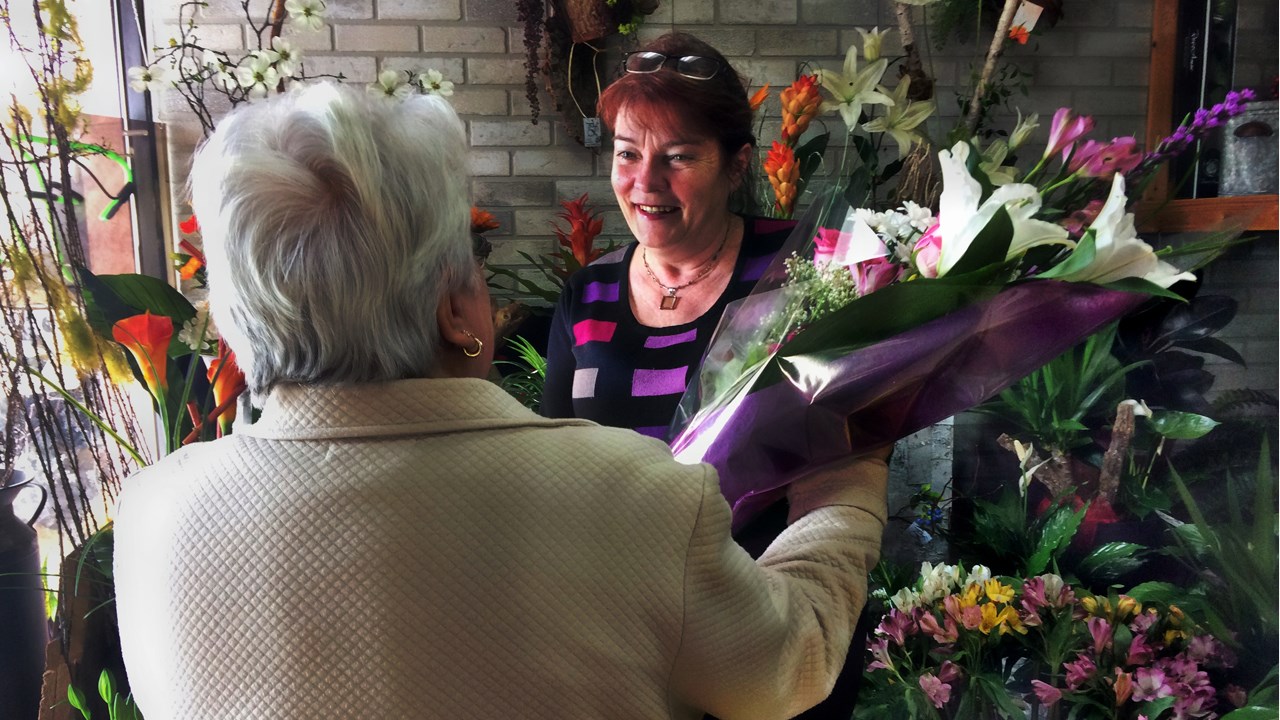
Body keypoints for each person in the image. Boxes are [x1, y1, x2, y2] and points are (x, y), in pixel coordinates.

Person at [112, 82, 888, 719]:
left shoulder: (152, 516)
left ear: (237, 326)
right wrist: (848, 465)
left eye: (679, 154)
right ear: (457, 308)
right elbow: (789, 664)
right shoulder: (638, 498)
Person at [540, 32, 884, 717]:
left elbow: (848, 452)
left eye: (679, 157)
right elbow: (553, 467)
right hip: (624, 645)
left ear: (737, 165)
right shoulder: (588, 293)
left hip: (770, 636)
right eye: (628, 154)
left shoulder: (802, 272)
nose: (646, 182)